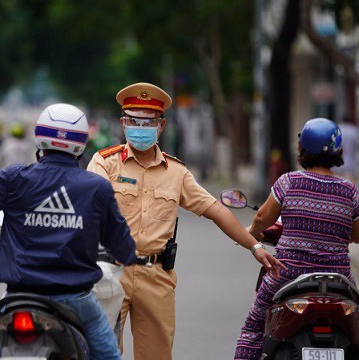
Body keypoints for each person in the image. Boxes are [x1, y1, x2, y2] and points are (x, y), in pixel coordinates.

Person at [86, 82, 286, 360]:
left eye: (149, 121)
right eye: (134, 120)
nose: (140, 127)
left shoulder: (177, 173)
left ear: (162, 125)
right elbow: (86, 206)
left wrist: (255, 247)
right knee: (100, 353)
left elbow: (216, 210)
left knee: (157, 356)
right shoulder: (104, 163)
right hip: (111, 271)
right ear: (123, 123)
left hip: (155, 276)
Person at [0, 103, 137, 360]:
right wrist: (128, 254)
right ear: (81, 142)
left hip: (20, 297)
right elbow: (121, 246)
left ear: (40, 137)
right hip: (75, 299)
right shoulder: (97, 188)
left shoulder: (17, 178)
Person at [234, 117, 359, 360]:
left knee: (253, 328)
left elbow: (262, 218)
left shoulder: (288, 182)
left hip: (288, 273)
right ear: (338, 151)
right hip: (338, 276)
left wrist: (253, 233)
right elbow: (356, 235)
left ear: (302, 149)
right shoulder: (350, 191)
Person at [333, 115, 357, 182]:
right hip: (350, 160)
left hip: (338, 159)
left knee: (338, 180)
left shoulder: (337, 129)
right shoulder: (353, 130)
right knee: (350, 182)